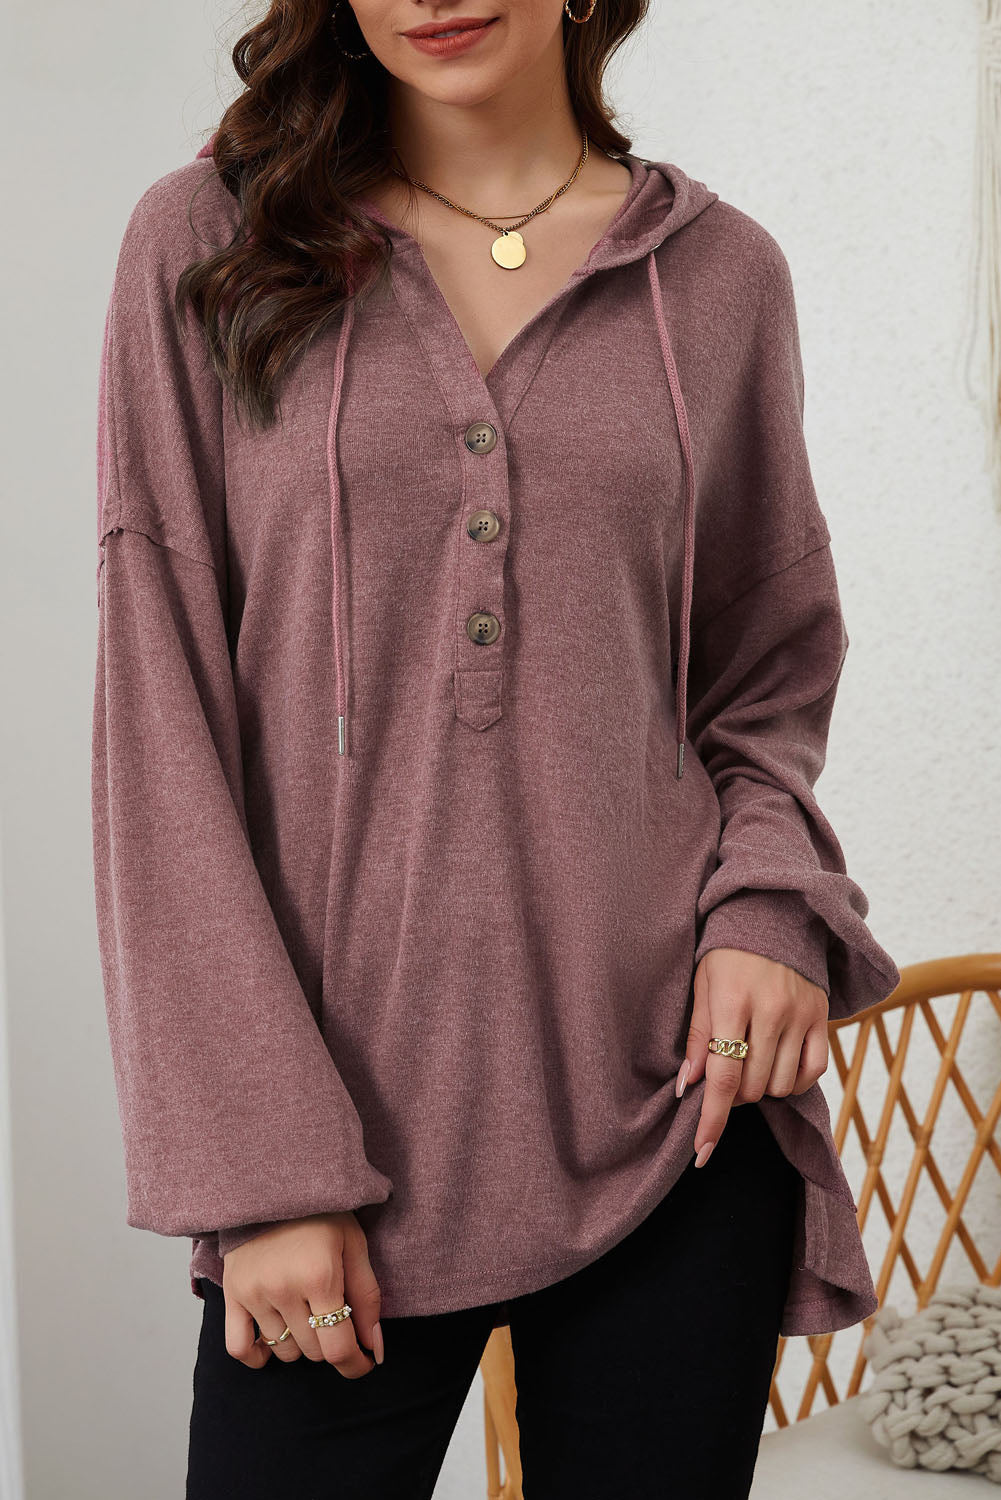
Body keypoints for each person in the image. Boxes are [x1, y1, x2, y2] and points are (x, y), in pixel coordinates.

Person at [90, 0, 901, 1495]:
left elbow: (766, 671)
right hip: (334, 1161)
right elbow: (160, 721)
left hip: (677, 1116)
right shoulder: (207, 242)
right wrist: (262, 1173)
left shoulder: (721, 276)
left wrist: (769, 911)